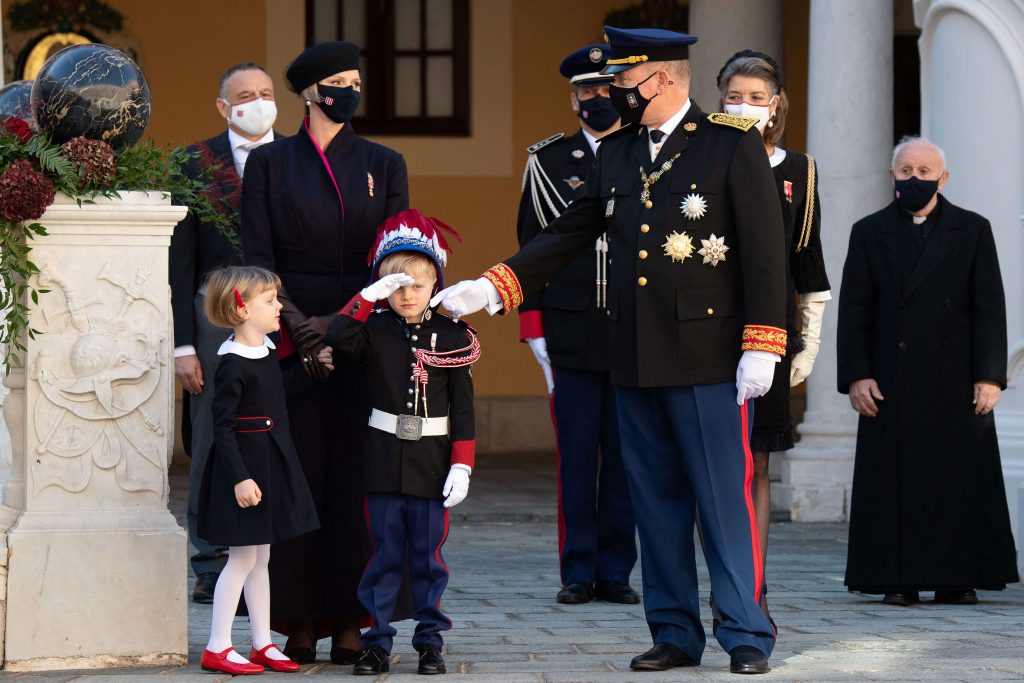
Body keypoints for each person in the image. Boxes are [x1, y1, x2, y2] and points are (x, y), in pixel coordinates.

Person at [432, 26, 786, 676]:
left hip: (709, 357)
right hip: (633, 355)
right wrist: (491, 286)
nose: (615, 97)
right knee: (655, 501)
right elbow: (567, 232)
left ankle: (746, 632)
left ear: (666, 79)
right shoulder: (619, 154)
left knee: (721, 500)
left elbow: (766, 256)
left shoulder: (730, 147)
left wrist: (763, 343)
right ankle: (675, 630)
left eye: (624, 85)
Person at [241, 40, 410, 663]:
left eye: (355, 80)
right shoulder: (269, 164)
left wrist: (338, 328)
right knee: (298, 478)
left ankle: (351, 616)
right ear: (310, 92)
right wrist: (299, 330)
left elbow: (395, 260)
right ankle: (299, 619)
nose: (350, 90)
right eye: (338, 81)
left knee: (354, 482)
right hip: (290, 337)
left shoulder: (384, 162)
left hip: (362, 335)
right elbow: (257, 256)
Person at [838, 137, 1019, 606]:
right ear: (892, 176)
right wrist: (857, 374)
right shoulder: (868, 231)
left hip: (956, 381)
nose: (914, 179)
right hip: (891, 382)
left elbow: (989, 308)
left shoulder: (973, 229)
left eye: (924, 171)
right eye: (906, 171)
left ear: (944, 177)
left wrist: (990, 376)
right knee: (894, 482)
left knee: (957, 480)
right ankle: (896, 579)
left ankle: (957, 577)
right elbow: (855, 309)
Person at [324, 209, 478, 676]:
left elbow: (464, 408)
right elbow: (339, 335)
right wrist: (367, 298)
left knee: (428, 559)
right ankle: (377, 642)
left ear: (435, 286)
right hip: (383, 460)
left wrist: (462, 465)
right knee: (383, 556)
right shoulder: (372, 330)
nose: (407, 295)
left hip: (433, 463)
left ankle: (430, 640)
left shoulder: (454, 336)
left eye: (416, 284)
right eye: (396, 286)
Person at [516, 43, 638, 607]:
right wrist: (533, 326)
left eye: (606, 89)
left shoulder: (646, 153)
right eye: (587, 92)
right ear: (573, 99)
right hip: (569, 327)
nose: (598, 99)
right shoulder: (547, 160)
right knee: (576, 454)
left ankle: (617, 569)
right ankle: (577, 570)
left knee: (627, 455)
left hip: (635, 329)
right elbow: (533, 247)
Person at [715, 50, 831, 625]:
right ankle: (720, 578)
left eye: (757, 97)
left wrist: (807, 339)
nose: (746, 106)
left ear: (776, 103)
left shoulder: (798, 170)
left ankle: (754, 583)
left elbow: (807, 259)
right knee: (715, 465)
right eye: (735, 96)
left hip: (771, 331)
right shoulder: (701, 157)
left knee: (757, 462)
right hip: (711, 327)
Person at [171, 62, 281, 605]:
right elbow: (180, 260)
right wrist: (183, 344)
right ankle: (209, 559)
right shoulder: (192, 163)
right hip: (214, 309)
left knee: (277, 430)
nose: (257, 102)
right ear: (223, 106)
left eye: (265, 93)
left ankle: (273, 553)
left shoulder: (295, 157)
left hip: (281, 309)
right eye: (244, 95)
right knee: (215, 432)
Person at [196, 266, 327, 675]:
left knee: (261, 558)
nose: (279, 308)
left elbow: (276, 395)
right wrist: (239, 477)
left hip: (270, 462)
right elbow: (222, 427)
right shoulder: (231, 362)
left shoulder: (266, 350)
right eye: (270, 301)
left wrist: (309, 370)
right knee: (240, 559)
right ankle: (217, 646)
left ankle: (262, 642)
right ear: (241, 309)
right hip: (246, 471)